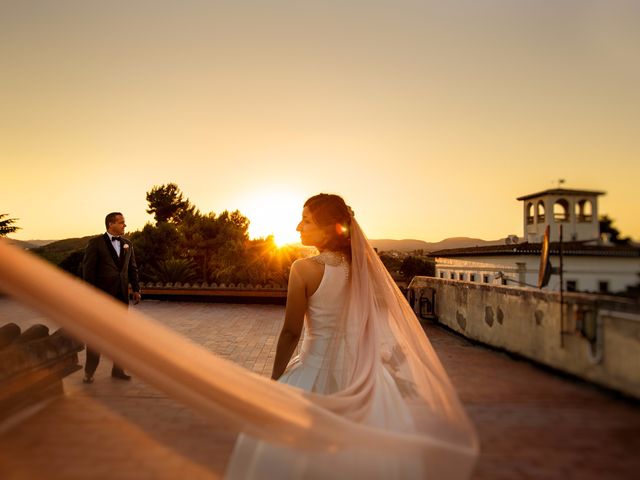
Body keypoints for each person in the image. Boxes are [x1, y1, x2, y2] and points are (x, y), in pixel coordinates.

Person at [224, 194, 478, 479]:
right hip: (361, 376)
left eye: (306, 220)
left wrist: (274, 381)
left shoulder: (304, 269)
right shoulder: (363, 268)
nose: (298, 227)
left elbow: (292, 331)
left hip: (312, 372)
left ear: (330, 226)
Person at [81, 212, 141, 383]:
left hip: (121, 296)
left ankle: (118, 370)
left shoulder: (127, 244)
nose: (125, 225)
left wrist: (136, 289)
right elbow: (88, 271)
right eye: (122, 222)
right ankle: (89, 372)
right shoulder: (96, 244)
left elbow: (132, 269)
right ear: (110, 224)